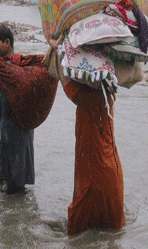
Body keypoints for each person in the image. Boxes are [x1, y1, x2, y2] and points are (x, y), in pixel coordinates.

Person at [49, 35, 125, 235]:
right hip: (105, 159)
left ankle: (77, 228)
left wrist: (57, 51)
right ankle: (107, 226)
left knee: (88, 190)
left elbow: (68, 86)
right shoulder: (108, 94)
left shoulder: (89, 98)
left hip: (93, 159)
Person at [0, 24, 36, 194]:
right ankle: (13, 198)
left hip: (18, 119)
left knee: (16, 159)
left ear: (7, 43)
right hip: (6, 118)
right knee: (9, 155)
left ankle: (14, 200)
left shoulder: (19, 65)